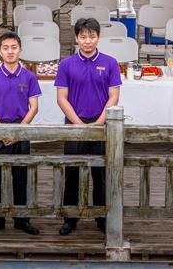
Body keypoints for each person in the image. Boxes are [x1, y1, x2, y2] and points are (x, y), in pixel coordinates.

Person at [54, 18, 121, 236]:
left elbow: (113, 96)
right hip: (75, 123)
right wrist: (79, 124)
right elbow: (61, 98)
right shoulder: (66, 64)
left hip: (101, 125)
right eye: (83, 36)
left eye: (92, 36)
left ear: (98, 37)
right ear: (76, 38)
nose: (88, 41)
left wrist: (98, 123)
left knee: (101, 172)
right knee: (72, 170)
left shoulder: (110, 63)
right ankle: (70, 218)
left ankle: (102, 216)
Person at [0, 32, 41, 236]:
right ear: (0, 51)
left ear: (20, 50)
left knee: (21, 175)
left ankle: (21, 218)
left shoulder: (29, 76)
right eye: (6, 48)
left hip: (21, 129)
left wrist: (19, 131)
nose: (10, 51)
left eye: (14, 47)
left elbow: (34, 107)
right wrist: (2, 131)